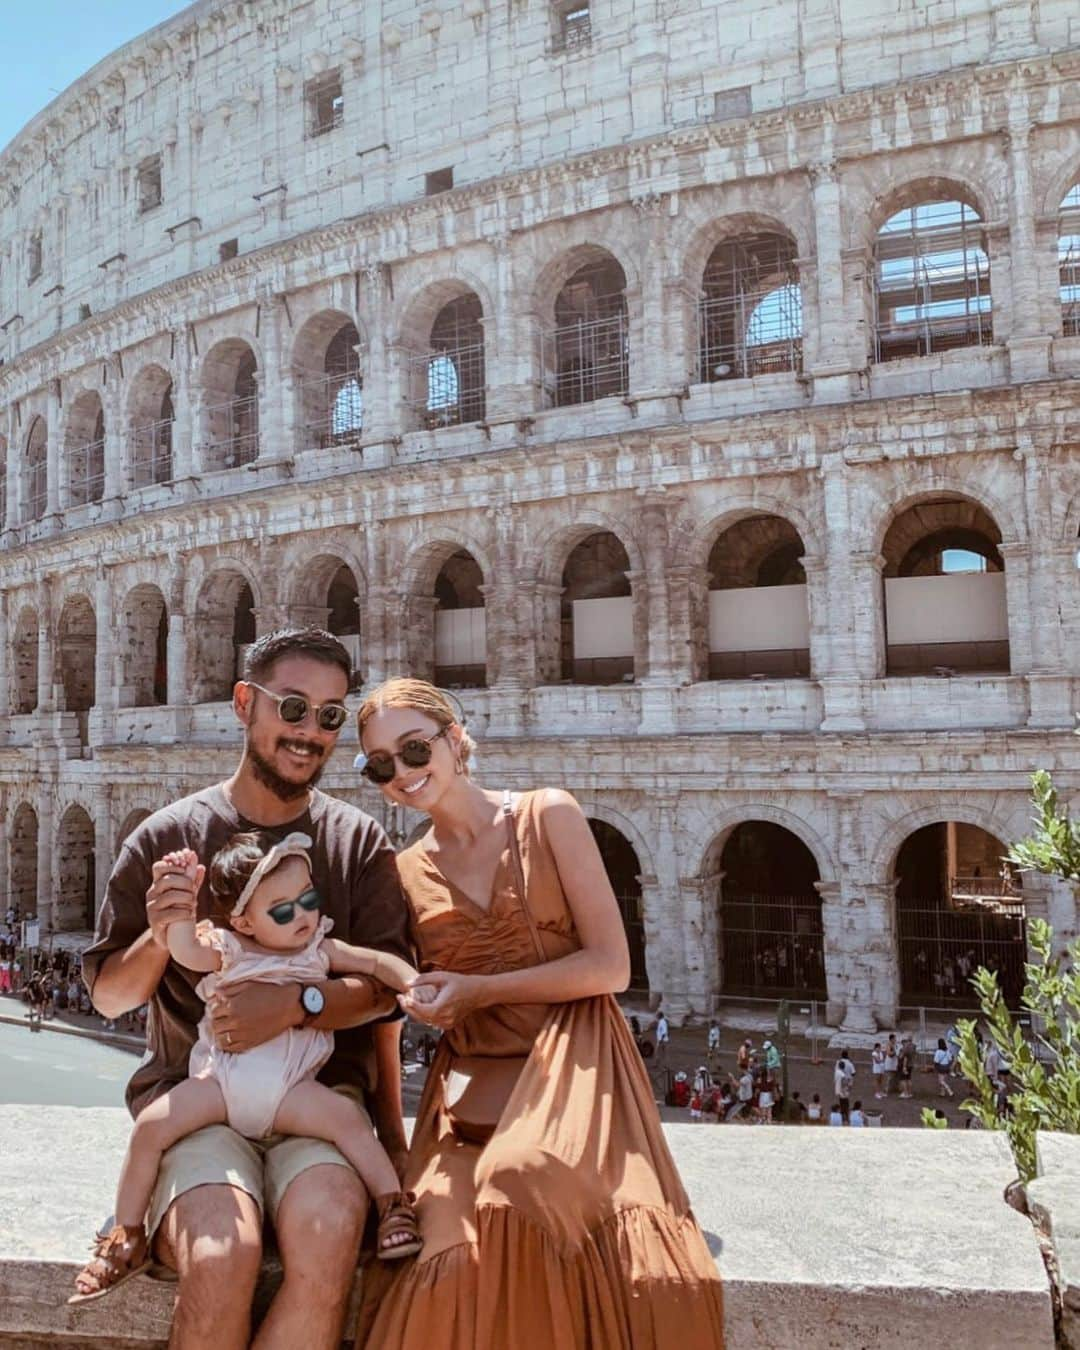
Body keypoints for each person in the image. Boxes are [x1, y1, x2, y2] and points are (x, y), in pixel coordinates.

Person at [353, 678, 725, 1348]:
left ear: (456, 739)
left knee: (519, 1183)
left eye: (414, 749)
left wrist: (479, 991)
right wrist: (422, 997)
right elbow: (402, 982)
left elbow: (612, 966)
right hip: (472, 1088)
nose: (403, 773)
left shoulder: (548, 814)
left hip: (577, 1061)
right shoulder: (403, 871)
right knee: (441, 1263)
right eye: (381, 765)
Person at [81, 628, 414, 1350]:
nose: (310, 732)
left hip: (320, 1104)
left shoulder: (358, 842)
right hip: (198, 1106)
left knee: (327, 1241)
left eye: (330, 716)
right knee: (220, 1253)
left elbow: (388, 990)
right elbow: (108, 996)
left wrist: (300, 1002)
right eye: (293, 708)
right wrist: (162, 929)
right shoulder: (167, 835)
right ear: (244, 704)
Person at [71, 833, 427, 1302]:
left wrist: (414, 983)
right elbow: (183, 949)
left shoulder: (320, 948)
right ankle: (126, 1235)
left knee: (349, 1124)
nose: (302, 916)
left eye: (309, 900)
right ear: (243, 921)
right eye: (282, 911)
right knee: (149, 1130)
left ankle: (392, 1207)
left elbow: (378, 962)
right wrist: (180, 899)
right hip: (221, 1083)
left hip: (290, 1092)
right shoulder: (228, 948)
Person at [833, 1049, 854, 1123]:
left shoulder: (837, 1072)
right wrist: (849, 1084)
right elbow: (845, 1083)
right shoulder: (843, 1075)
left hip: (838, 1089)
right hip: (844, 1090)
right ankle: (846, 1117)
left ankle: (842, 1116)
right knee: (846, 1103)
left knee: (841, 1103)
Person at [655, 1006, 670, 1071]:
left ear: (659, 1016)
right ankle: (660, 1065)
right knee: (661, 1053)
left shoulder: (662, 1022)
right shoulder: (662, 1021)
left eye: (657, 1015)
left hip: (662, 1040)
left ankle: (662, 1066)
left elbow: (664, 1032)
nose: (656, 1016)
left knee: (659, 1053)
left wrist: (660, 1040)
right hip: (663, 1040)